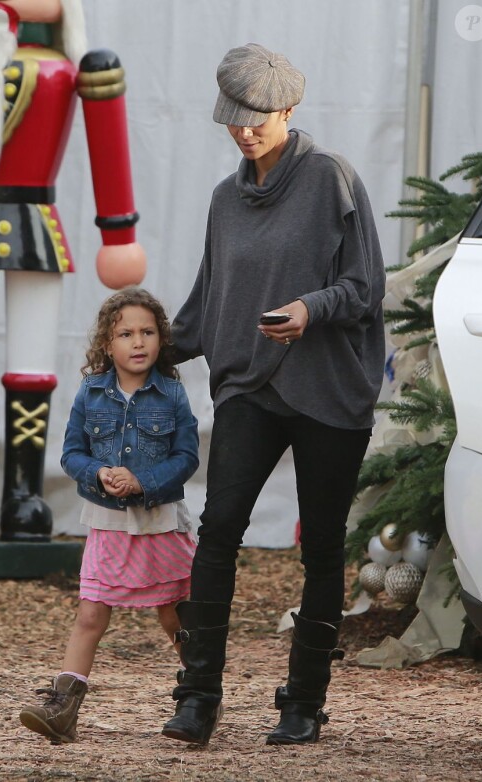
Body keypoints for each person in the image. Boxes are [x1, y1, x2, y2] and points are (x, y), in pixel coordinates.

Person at [161, 43, 386, 747]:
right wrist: (138, 345)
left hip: (327, 389)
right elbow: (207, 305)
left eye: (260, 116)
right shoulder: (226, 200)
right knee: (219, 528)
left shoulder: (331, 179)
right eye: (236, 117)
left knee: (320, 546)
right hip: (248, 388)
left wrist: (309, 310)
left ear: (288, 109)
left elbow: (365, 288)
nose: (247, 129)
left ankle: (305, 702)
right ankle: (198, 696)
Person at [0, 0, 145, 543]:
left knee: (32, 368)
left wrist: (120, 234)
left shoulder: (69, 70)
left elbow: (106, 145)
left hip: (33, 225)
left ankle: (24, 494)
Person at [19, 287, 199, 744]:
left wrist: (144, 481)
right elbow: (71, 454)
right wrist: (99, 474)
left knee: (176, 615)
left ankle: (200, 693)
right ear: (107, 344)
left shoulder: (173, 395)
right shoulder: (90, 393)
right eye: (126, 333)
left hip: (160, 522)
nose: (138, 342)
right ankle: (63, 708)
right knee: (90, 615)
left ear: (160, 340)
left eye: (148, 332)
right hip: (108, 523)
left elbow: (187, 458)